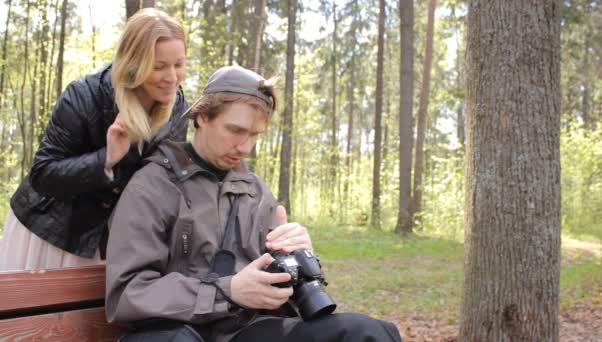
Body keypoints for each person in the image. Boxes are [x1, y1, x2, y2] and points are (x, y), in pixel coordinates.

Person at [105, 65, 402, 342]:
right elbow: (128, 293)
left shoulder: (255, 190)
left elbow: (282, 281)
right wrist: (227, 291)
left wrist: (302, 257)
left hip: (245, 330)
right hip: (177, 330)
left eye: (255, 135)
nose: (245, 147)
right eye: (235, 130)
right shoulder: (153, 185)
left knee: (366, 332)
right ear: (202, 117)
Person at [0, 8, 188, 271]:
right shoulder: (84, 96)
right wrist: (106, 159)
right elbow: (42, 175)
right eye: (159, 67)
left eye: (178, 64)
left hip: (112, 239)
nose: (172, 77)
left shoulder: (178, 108)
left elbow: (165, 179)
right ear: (133, 63)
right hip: (53, 233)